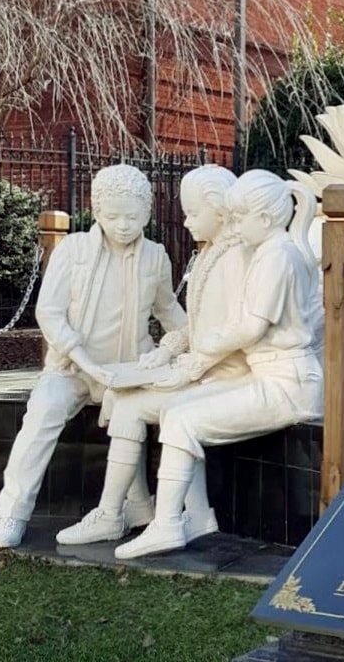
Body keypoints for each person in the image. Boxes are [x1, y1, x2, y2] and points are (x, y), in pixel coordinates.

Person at [116, 171, 325, 560]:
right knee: (178, 410)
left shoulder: (277, 255)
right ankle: (194, 518)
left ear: (264, 219)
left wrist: (201, 350)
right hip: (272, 376)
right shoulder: (267, 252)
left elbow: (250, 326)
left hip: (287, 385)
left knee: (182, 419)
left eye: (240, 219)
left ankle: (166, 526)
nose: (236, 227)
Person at [0, 164, 183, 549]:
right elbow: (50, 312)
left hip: (127, 373)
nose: (123, 225)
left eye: (133, 216)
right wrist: (84, 361)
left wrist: (196, 338)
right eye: (112, 216)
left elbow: (169, 311)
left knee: (136, 420)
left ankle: (137, 508)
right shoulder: (73, 251)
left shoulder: (156, 257)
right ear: (96, 212)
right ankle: (13, 512)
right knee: (40, 417)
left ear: (147, 213)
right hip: (72, 368)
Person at [54, 164, 245, 546]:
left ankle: (165, 515)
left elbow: (234, 332)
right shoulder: (211, 255)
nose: (185, 223)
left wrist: (184, 367)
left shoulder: (237, 259)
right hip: (203, 368)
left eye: (192, 214)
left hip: (228, 376)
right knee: (125, 402)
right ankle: (115, 513)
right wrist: (165, 353)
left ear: (220, 211)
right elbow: (195, 326)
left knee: (149, 405)